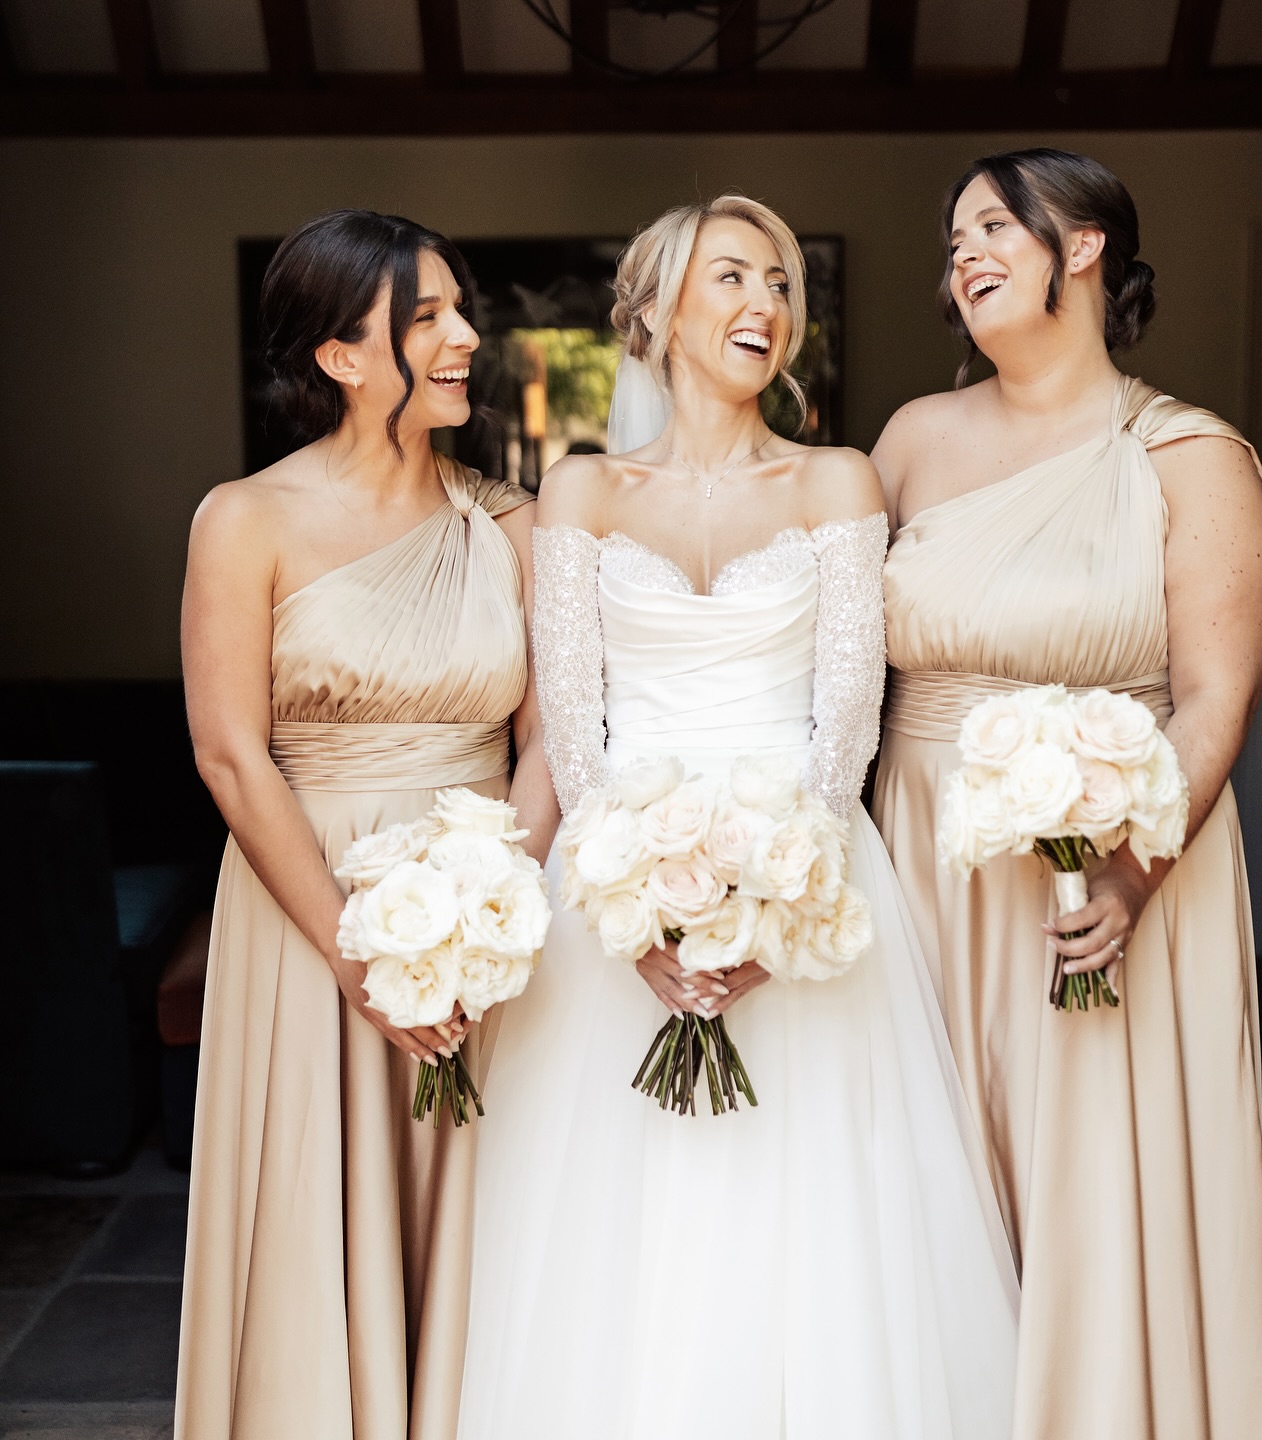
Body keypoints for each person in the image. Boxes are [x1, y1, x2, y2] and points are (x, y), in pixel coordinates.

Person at [455, 195, 1019, 1439]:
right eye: (732, 278)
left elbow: (848, 722)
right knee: (613, 1229)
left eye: (780, 284)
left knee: (813, 1219)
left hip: (808, 881)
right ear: (655, 311)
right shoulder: (583, 492)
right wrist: (630, 907)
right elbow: (575, 721)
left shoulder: (836, 478)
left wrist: (776, 905)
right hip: (617, 903)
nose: (765, 304)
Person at [870, 149, 1262, 1439]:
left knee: (1094, 1170)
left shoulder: (1190, 455)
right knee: (932, 1156)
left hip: (1114, 865)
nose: (966, 256)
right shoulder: (910, 441)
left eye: (994, 225)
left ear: (1089, 244)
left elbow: (1216, 699)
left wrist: (1131, 874)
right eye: (954, 242)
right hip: (926, 859)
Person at [176, 209, 557, 1440]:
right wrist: (364, 958)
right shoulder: (245, 520)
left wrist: (492, 913)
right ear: (342, 357)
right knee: (315, 1209)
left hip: (487, 918)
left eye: (460, 309)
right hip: (310, 916)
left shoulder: (508, 522)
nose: (464, 337)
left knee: (481, 1226)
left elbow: (554, 738)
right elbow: (232, 756)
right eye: (428, 316)